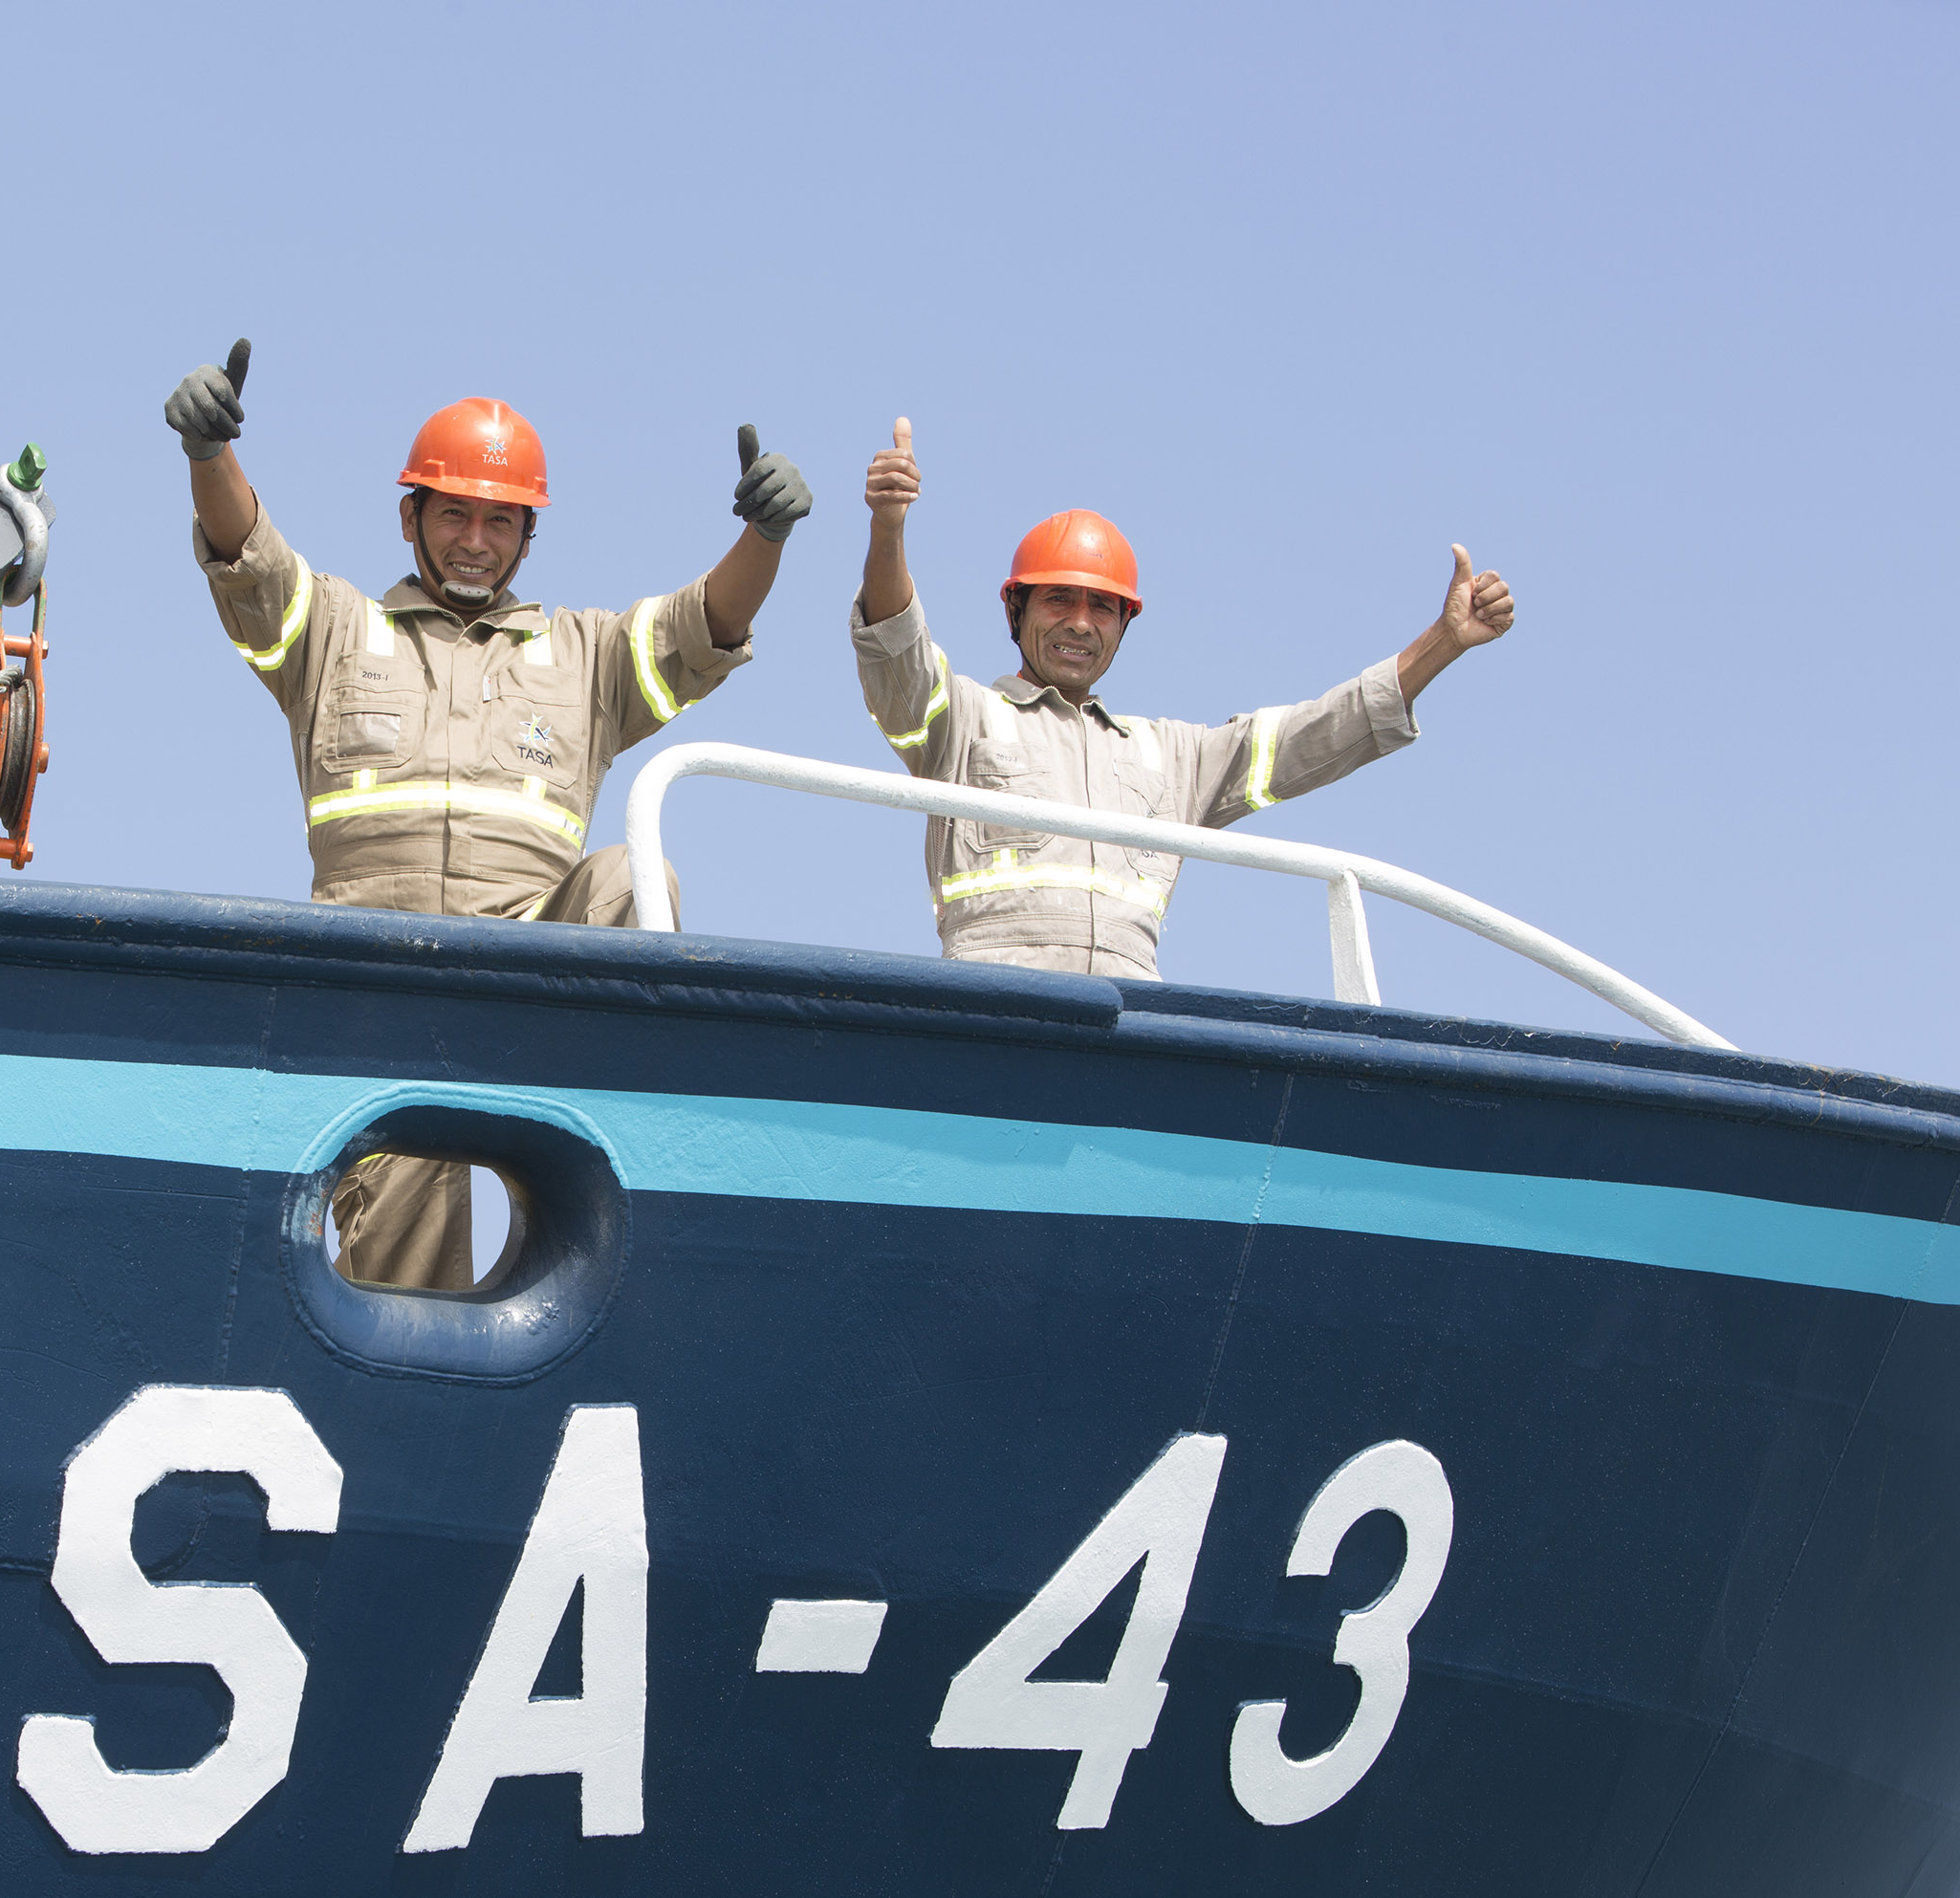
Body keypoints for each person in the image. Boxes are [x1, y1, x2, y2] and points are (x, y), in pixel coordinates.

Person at [169, 338, 811, 1286]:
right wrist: (210, 452)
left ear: (527, 535)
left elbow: (705, 626)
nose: (476, 539)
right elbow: (247, 562)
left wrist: (764, 536)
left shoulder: (585, 658)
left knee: (635, 878)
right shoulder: (336, 633)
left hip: (526, 974)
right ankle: (398, 1362)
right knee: (406, 1222)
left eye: (500, 520)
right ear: (409, 516)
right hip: (372, 991)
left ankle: (629, 1158)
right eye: (455, 513)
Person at [851, 417, 1514, 978]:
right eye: (1058, 598)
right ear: (1015, 611)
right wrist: (888, 528)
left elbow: (1310, 737)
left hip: (1129, 1023)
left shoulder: (1167, 758)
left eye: (1102, 607)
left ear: (1124, 624)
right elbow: (894, 649)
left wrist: (1443, 642)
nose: (1080, 622)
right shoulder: (964, 722)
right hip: (991, 1005)